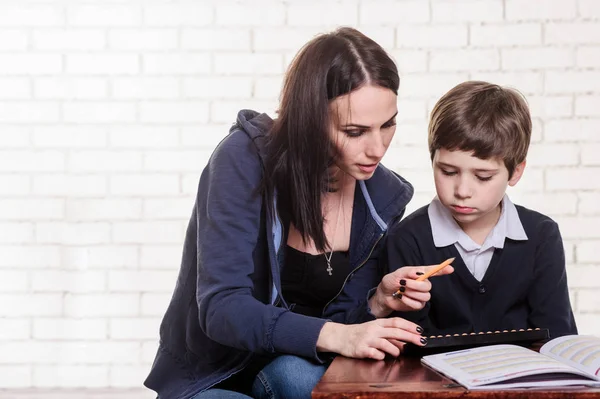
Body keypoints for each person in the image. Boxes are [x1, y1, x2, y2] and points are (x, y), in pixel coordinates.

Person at [144, 27, 452, 399]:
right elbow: (222, 308)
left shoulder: (383, 198)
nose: (377, 148)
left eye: (388, 125)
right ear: (310, 119)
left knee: (298, 377)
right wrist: (340, 336)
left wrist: (378, 302)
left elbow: (341, 325)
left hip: (296, 365)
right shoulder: (242, 160)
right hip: (214, 374)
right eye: (355, 131)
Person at [328, 80, 577, 339]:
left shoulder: (541, 235)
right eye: (448, 171)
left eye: (483, 176)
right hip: (434, 379)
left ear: (515, 172)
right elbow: (409, 340)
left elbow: (558, 336)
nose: (462, 190)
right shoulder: (407, 239)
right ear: (433, 161)